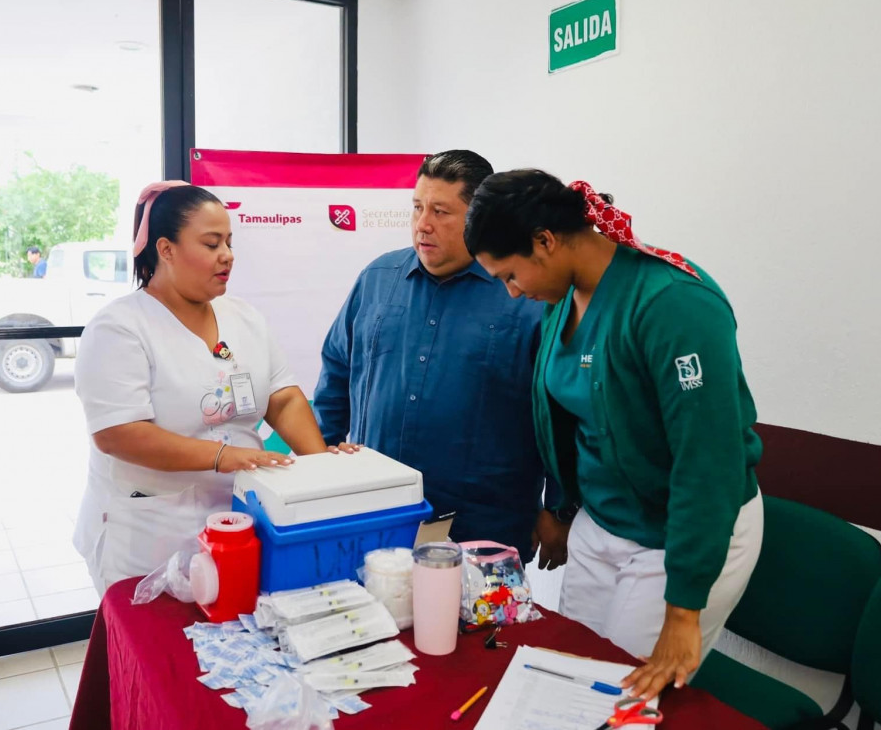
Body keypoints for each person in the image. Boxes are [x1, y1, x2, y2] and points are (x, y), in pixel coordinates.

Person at [463, 169, 764, 701]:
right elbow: (565, 421)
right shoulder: (565, 299)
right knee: (568, 673)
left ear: (545, 241)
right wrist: (561, 510)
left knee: (619, 697)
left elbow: (707, 465)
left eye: (510, 275)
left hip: (676, 534)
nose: (512, 292)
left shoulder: (672, 304)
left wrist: (683, 611)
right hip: (602, 521)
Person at [73, 181, 354, 593]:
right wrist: (224, 457)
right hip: (148, 533)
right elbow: (119, 434)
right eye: (211, 243)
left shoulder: (243, 317)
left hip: (240, 521)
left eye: (229, 242)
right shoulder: (119, 328)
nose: (227, 255)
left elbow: (282, 397)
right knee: (159, 630)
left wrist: (322, 466)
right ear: (166, 249)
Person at [314, 151, 547, 561]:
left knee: (481, 609)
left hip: (483, 526)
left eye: (440, 212)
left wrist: (560, 508)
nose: (423, 224)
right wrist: (318, 463)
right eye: (417, 207)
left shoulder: (524, 293)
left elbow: (557, 411)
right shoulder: (378, 278)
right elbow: (336, 374)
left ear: (480, 218)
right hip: (376, 513)